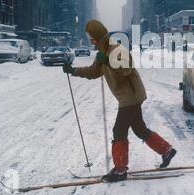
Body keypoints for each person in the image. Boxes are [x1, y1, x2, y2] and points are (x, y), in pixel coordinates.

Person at [63, 20, 177, 182]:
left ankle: (120, 170)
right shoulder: (102, 52)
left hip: (131, 96)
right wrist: (73, 70)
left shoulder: (116, 49)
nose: (90, 40)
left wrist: (108, 60)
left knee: (119, 131)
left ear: (97, 36)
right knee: (139, 128)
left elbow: (126, 69)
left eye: (91, 37)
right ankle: (167, 151)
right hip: (127, 97)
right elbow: (94, 71)